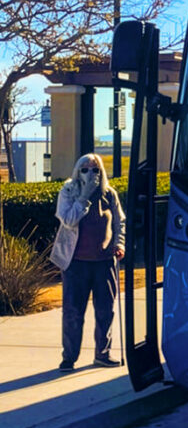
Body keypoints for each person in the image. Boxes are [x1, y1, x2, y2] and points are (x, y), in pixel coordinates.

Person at [52, 154, 125, 372]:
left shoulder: (109, 194)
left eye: (95, 170)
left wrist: (119, 244)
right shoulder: (68, 192)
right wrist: (83, 196)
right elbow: (68, 220)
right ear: (77, 171)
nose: (90, 174)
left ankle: (102, 354)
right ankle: (69, 357)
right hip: (76, 262)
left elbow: (120, 221)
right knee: (73, 312)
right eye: (84, 170)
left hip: (104, 262)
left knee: (105, 310)